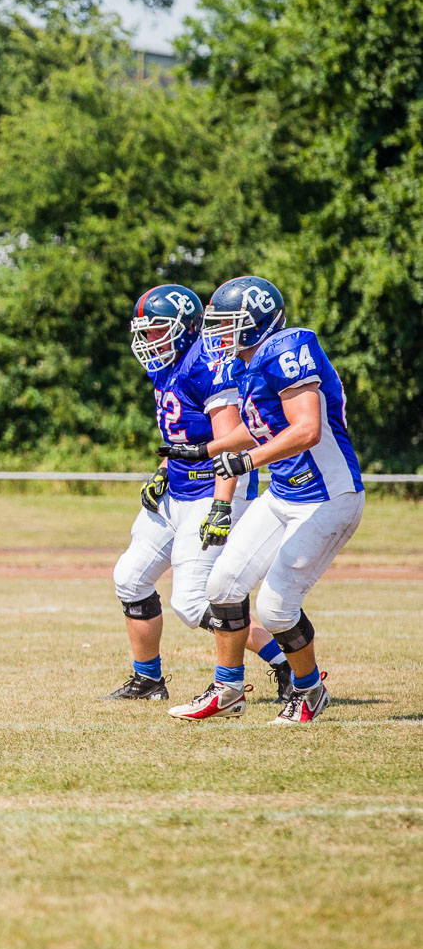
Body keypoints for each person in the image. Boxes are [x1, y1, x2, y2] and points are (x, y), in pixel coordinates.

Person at [162, 276, 365, 724]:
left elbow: (306, 428)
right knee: (222, 586)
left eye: (227, 323)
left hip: (327, 497)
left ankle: (309, 692)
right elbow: (260, 424)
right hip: (285, 493)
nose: (218, 333)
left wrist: (247, 461)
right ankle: (228, 690)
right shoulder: (248, 364)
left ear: (256, 323)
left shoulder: (289, 348)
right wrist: (207, 449)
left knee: (275, 608)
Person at [106, 285, 290, 702]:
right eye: (145, 332)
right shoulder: (167, 367)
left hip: (213, 488)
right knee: (130, 579)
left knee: (192, 603)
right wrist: (163, 471)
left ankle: (284, 662)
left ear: (187, 328)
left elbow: (231, 442)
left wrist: (223, 506)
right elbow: (181, 434)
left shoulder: (206, 365)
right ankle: (148, 680)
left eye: (157, 331)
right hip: (180, 489)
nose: (148, 341)